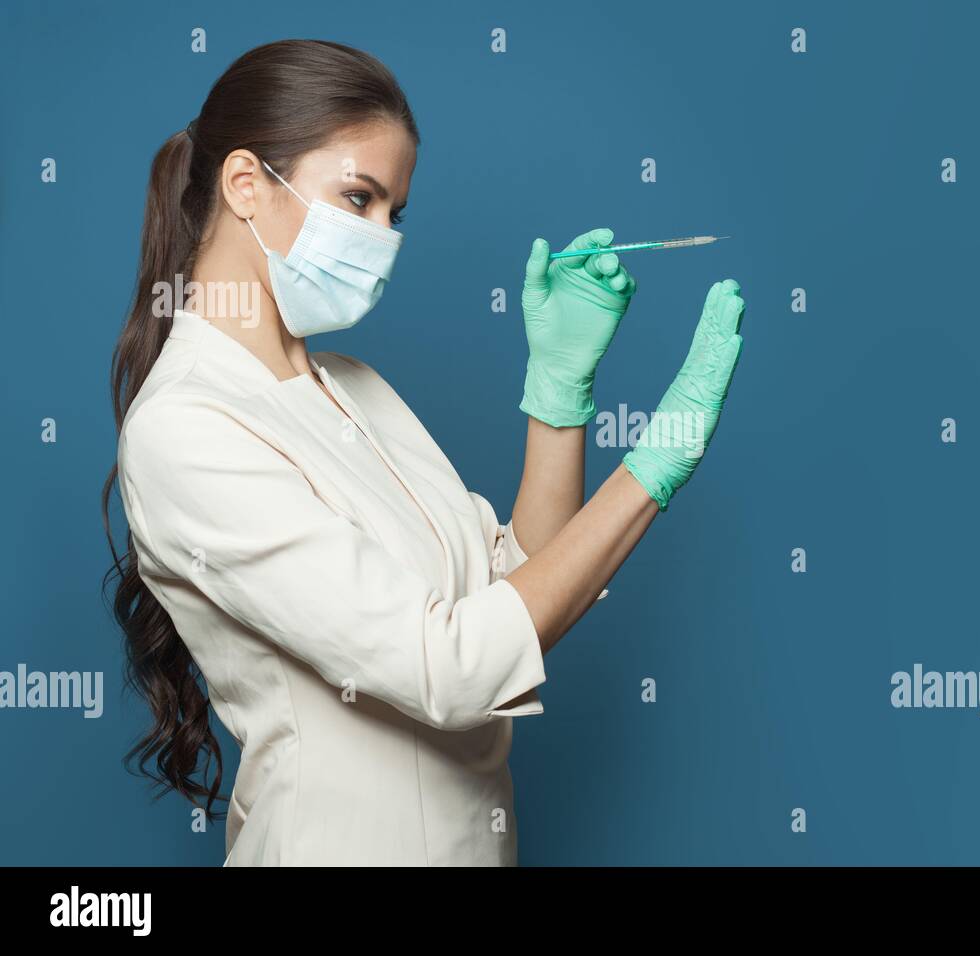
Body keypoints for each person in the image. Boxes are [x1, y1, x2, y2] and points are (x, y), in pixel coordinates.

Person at [101, 39, 745, 865]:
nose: (384, 238)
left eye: (394, 213)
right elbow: (450, 669)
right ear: (246, 185)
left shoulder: (352, 385)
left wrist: (558, 395)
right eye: (358, 198)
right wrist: (655, 463)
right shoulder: (185, 427)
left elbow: (514, 592)